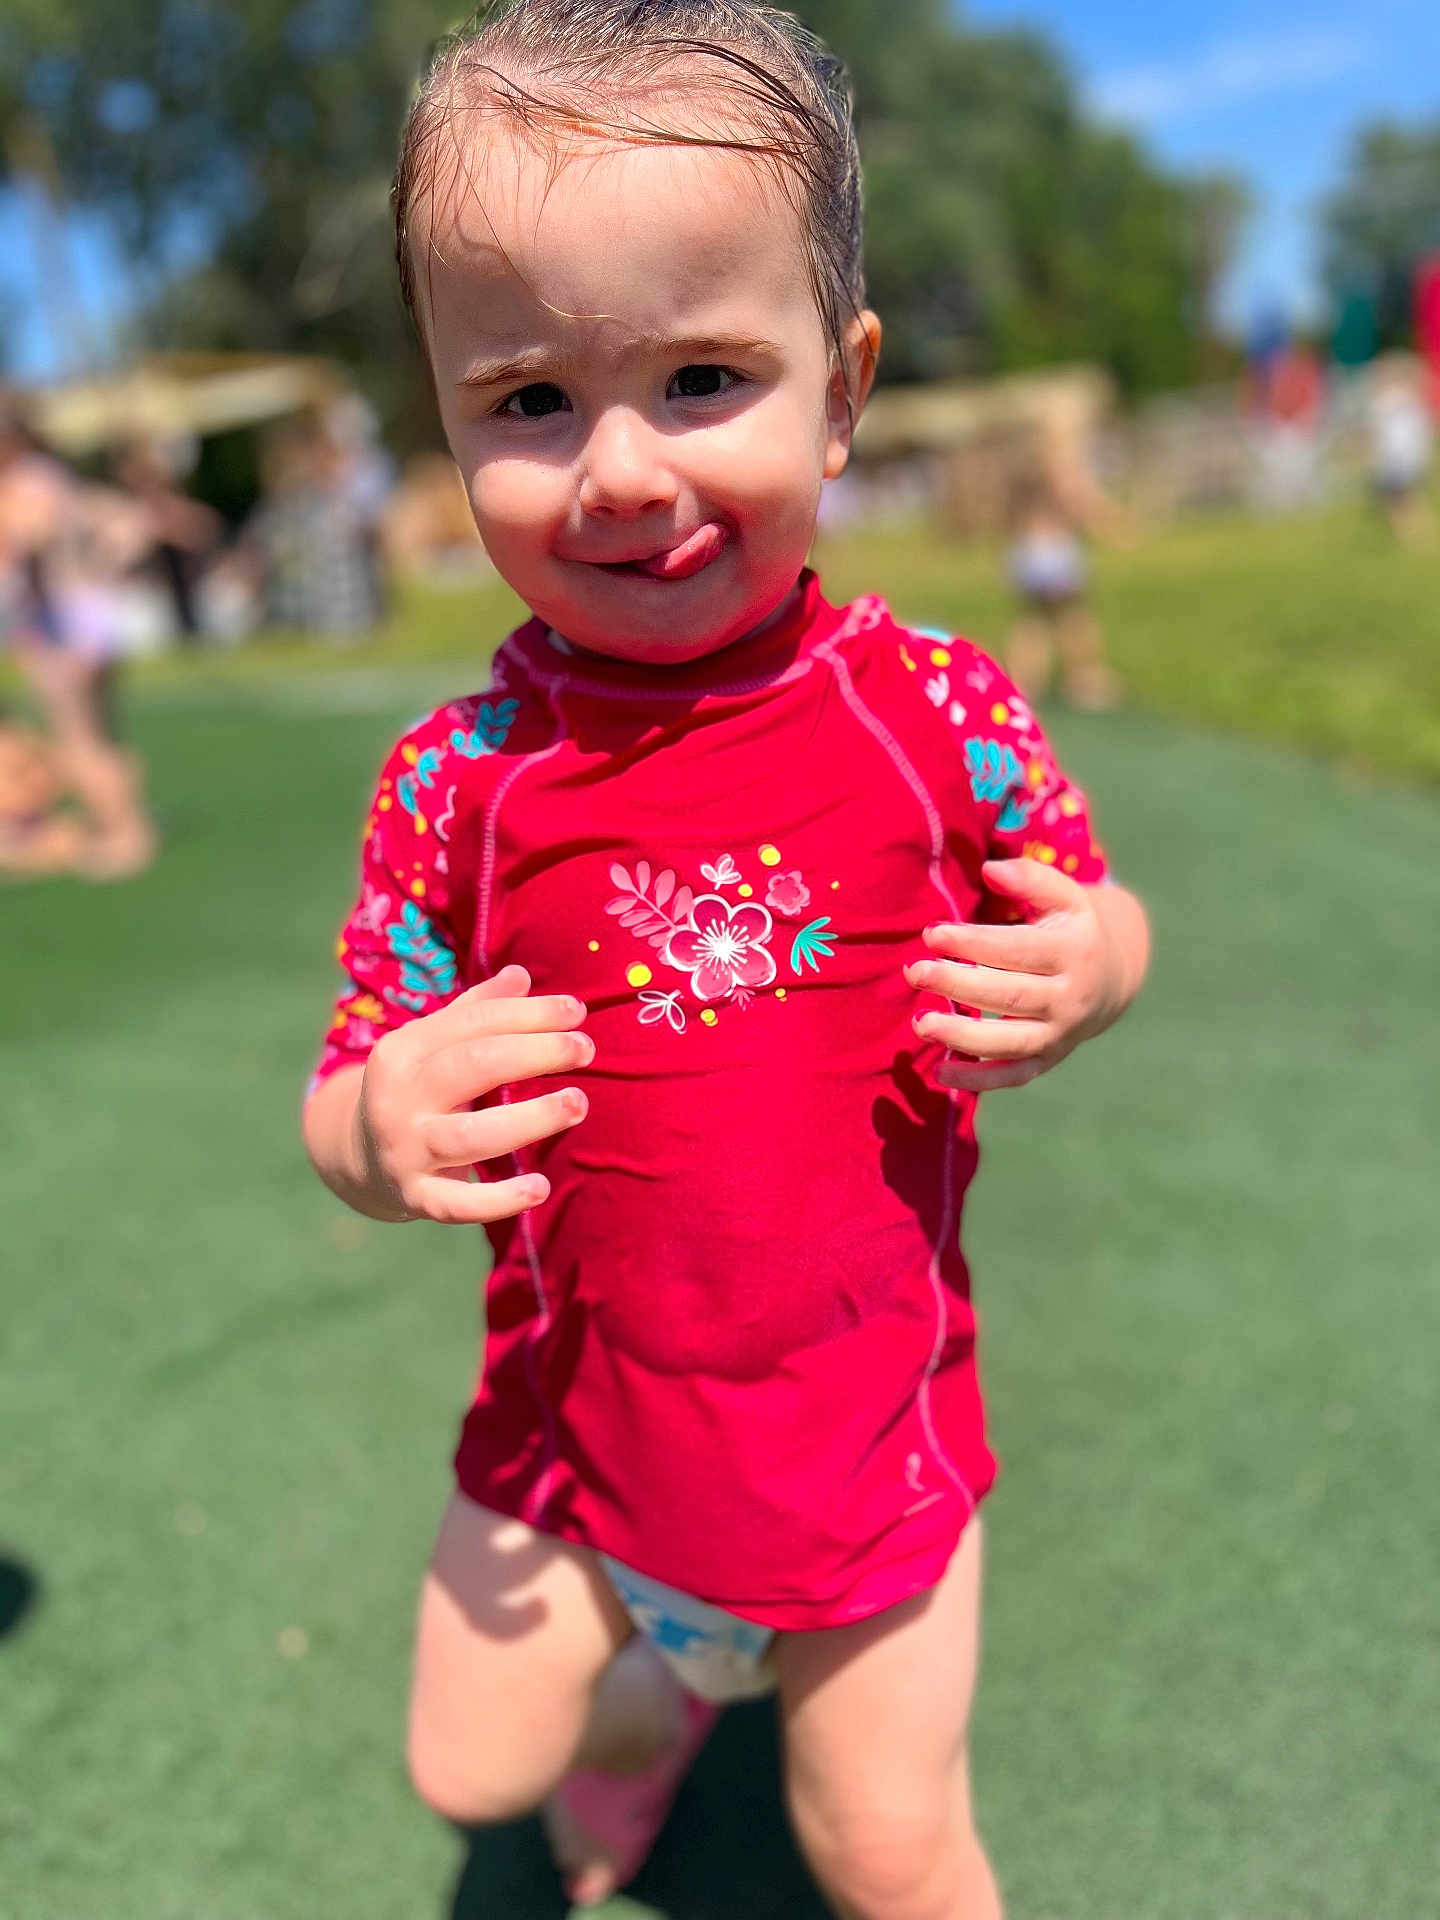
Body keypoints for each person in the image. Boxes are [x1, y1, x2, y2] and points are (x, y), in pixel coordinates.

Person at [302, 5, 1150, 1914]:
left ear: (840, 393)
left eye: (702, 377)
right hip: (574, 1438)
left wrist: (1088, 964)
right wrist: (380, 1122)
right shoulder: (462, 777)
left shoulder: (931, 709)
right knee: (475, 1763)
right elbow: (345, 1080)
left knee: (884, 1845)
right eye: (527, 399)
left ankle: (739, 1701)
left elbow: (1097, 901)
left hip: (864, 1429)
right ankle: (651, 1705)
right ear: (443, 416)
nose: (615, 472)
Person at [0, 402, 159, 877]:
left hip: (64, 625)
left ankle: (126, 836)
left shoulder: (28, 483)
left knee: (78, 739)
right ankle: (126, 826)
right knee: (100, 734)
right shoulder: (55, 476)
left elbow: (29, 541)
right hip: (90, 615)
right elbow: (130, 522)